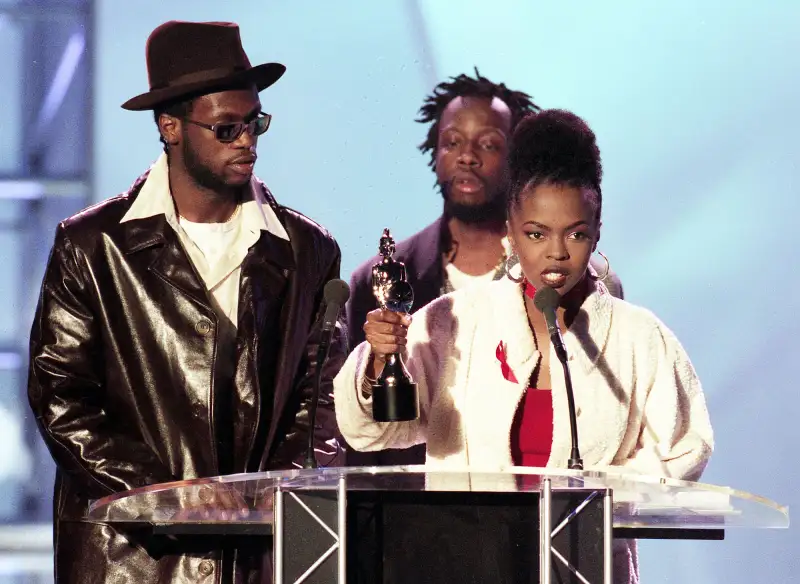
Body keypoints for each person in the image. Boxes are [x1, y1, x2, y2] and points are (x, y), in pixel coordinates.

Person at [334, 109, 714, 583]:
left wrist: (594, 499)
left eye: (575, 233)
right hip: (462, 568)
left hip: (582, 568)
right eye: (536, 233)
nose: (556, 253)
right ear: (509, 231)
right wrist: (377, 362)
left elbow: (684, 450)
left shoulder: (640, 338)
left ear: (597, 229)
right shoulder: (457, 322)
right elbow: (373, 432)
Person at [27, 21, 346, 584]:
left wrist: (268, 495)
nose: (247, 141)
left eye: (255, 123)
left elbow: (321, 392)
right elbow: (62, 399)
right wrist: (165, 493)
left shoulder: (307, 251)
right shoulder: (93, 246)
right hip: (132, 558)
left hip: (259, 555)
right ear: (170, 127)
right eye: (227, 129)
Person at [344, 69, 624, 466]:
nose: (467, 156)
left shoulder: (584, 279)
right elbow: (360, 430)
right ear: (434, 152)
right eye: (452, 142)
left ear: (518, 162)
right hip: (414, 514)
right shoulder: (380, 279)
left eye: (489, 145)